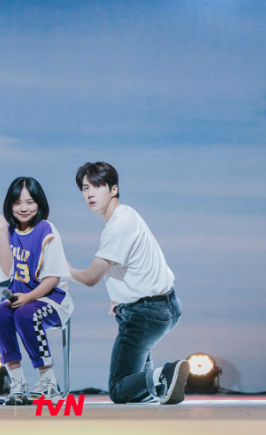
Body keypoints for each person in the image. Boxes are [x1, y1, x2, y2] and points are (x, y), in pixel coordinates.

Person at [68, 162, 189, 405]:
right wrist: (120, 297)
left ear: (113, 189)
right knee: (136, 387)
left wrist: (61, 268)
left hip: (146, 314)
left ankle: (164, 375)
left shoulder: (117, 227)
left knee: (119, 388)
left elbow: (91, 277)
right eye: (85, 188)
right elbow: (138, 263)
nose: (90, 193)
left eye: (97, 186)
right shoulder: (128, 214)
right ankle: (160, 385)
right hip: (166, 306)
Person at [0, 177, 73, 405]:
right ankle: (18, 382)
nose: (23, 208)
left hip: (51, 300)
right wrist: (3, 231)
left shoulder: (46, 229)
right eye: (17, 202)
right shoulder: (8, 232)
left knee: (25, 314)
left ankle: (48, 381)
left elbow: (53, 277)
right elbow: (4, 272)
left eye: (30, 202)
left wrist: (29, 297)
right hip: (20, 300)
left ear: (39, 203)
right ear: (9, 205)